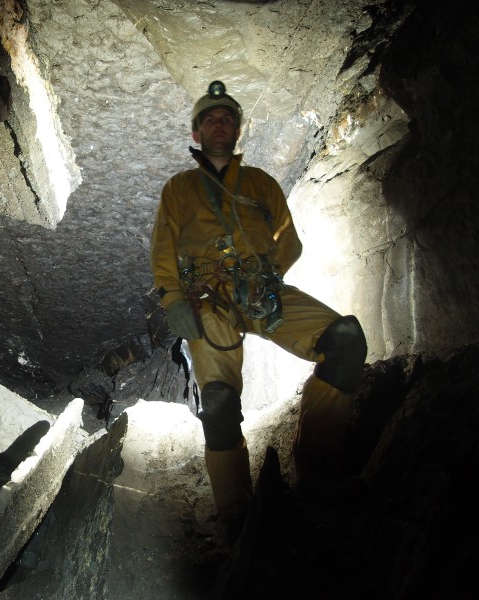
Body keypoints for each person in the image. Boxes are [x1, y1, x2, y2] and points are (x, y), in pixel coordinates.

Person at [150, 81, 367, 530]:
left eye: (227, 118)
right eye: (210, 119)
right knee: (220, 400)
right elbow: (162, 249)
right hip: (207, 300)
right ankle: (236, 514)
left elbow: (289, 242)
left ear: (237, 130)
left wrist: (267, 279)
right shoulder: (179, 188)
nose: (219, 124)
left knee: (345, 340)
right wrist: (173, 299)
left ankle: (318, 467)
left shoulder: (261, 184)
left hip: (261, 292)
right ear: (196, 133)